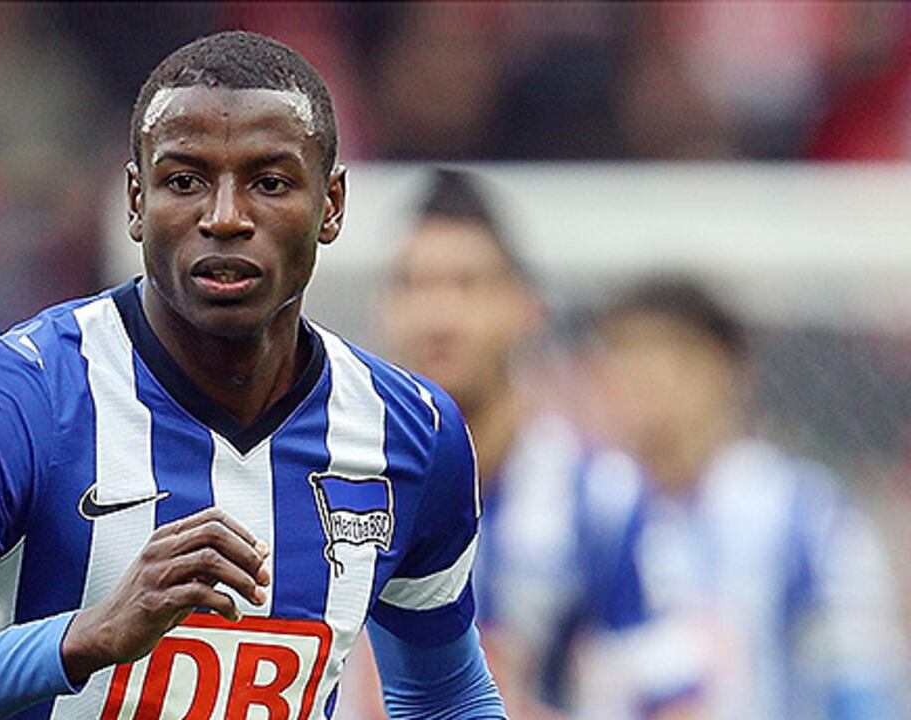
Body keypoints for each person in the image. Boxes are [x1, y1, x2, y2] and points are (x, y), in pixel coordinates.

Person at [0, 32, 506, 720]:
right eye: (185, 180)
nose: (225, 217)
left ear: (332, 206)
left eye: (270, 181)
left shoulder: (411, 432)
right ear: (135, 202)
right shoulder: (16, 397)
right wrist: (85, 636)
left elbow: (447, 700)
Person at [344, 169, 700, 720]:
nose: (439, 316)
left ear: (527, 308)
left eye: (467, 284)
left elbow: (674, 704)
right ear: (383, 310)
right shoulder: (327, 479)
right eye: (414, 285)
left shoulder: (600, 497)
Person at [590, 278, 907, 719]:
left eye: (670, 355)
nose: (643, 376)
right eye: (623, 354)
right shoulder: (587, 508)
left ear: (728, 369)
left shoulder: (807, 516)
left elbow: (861, 683)